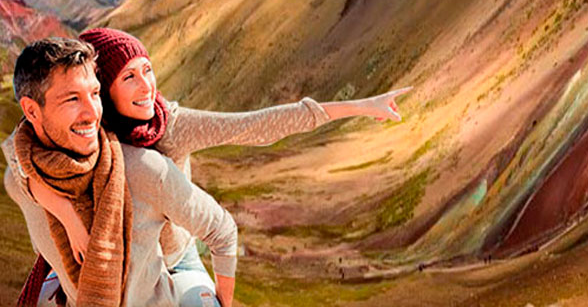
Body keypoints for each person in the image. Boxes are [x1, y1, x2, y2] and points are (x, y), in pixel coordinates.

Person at [14, 30, 413, 305]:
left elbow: (258, 126)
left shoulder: (169, 126)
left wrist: (360, 107)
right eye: (129, 77)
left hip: (177, 255)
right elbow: (20, 157)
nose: (147, 87)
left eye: (148, 70)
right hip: (127, 265)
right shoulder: (87, 129)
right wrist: (65, 213)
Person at [3, 38, 238, 306]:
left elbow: (222, 230)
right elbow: (16, 152)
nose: (93, 113)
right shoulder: (20, 181)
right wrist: (66, 215)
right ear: (31, 110)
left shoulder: (142, 169)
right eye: (72, 98)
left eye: (94, 93)